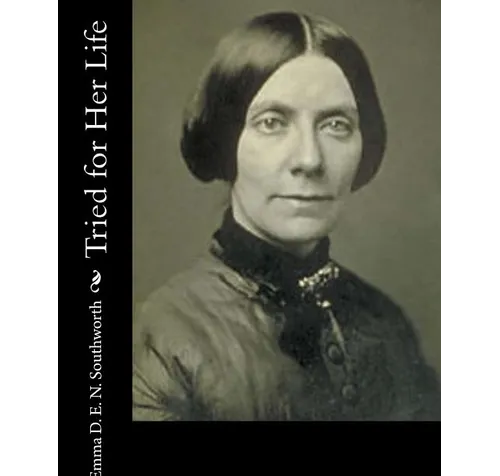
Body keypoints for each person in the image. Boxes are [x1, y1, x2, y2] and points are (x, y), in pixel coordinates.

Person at [132, 11, 443, 421]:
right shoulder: (162, 335)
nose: (310, 160)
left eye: (336, 124)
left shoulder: (385, 323)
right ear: (226, 142)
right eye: (272, 122)